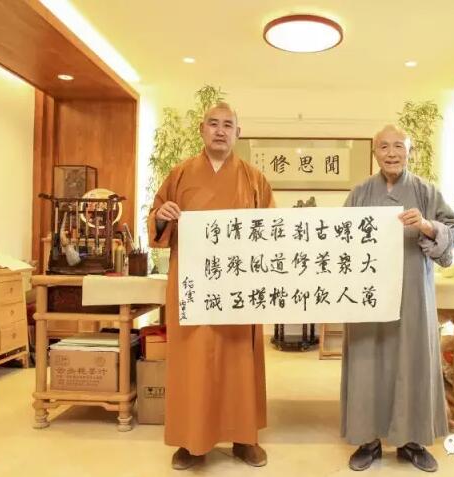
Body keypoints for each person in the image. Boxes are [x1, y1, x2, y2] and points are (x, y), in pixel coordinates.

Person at [148, 102, 274, 470]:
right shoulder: (180, 174)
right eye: (213, 124)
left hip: (238, 284)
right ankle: (192, 441)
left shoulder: (254, 178)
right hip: (193, 283)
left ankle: (244, 437)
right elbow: (157, 222)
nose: (220, 131)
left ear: (238, 133)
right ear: (202, 130)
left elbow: (271, 231)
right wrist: (161, 217)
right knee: (193, 361)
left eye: (228, 125)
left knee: (240, 360)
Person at [340, 124, 454, 472]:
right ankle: (367, 440)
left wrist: (425, 225)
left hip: (412, 293)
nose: (391, 153)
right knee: (367, 361)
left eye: (398, 146)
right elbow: (337, 239)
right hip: (368, 295)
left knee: (413, 361)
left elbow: (451, 235)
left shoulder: (425, 191)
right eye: (384, 147)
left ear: (409, 151)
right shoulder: (360, 193)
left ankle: (412, 441)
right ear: (374, 153)